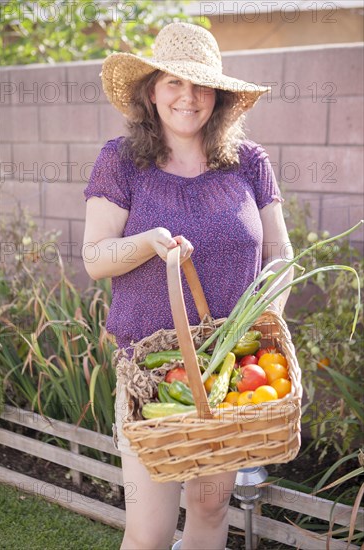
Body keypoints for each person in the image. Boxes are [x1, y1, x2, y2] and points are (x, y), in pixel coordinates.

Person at [83, 21, 293, 550]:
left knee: (210, 505)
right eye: (174, 82)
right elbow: (94, 257)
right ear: (151, 91)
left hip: (229, 371)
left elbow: (281, 255)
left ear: (218, 95)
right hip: (151, 374)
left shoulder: (249, 163)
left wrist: (264, 323)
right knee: (150, 532)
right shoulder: (122, 160)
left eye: (200, 85)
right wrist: (146, 242)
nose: (188, 96)